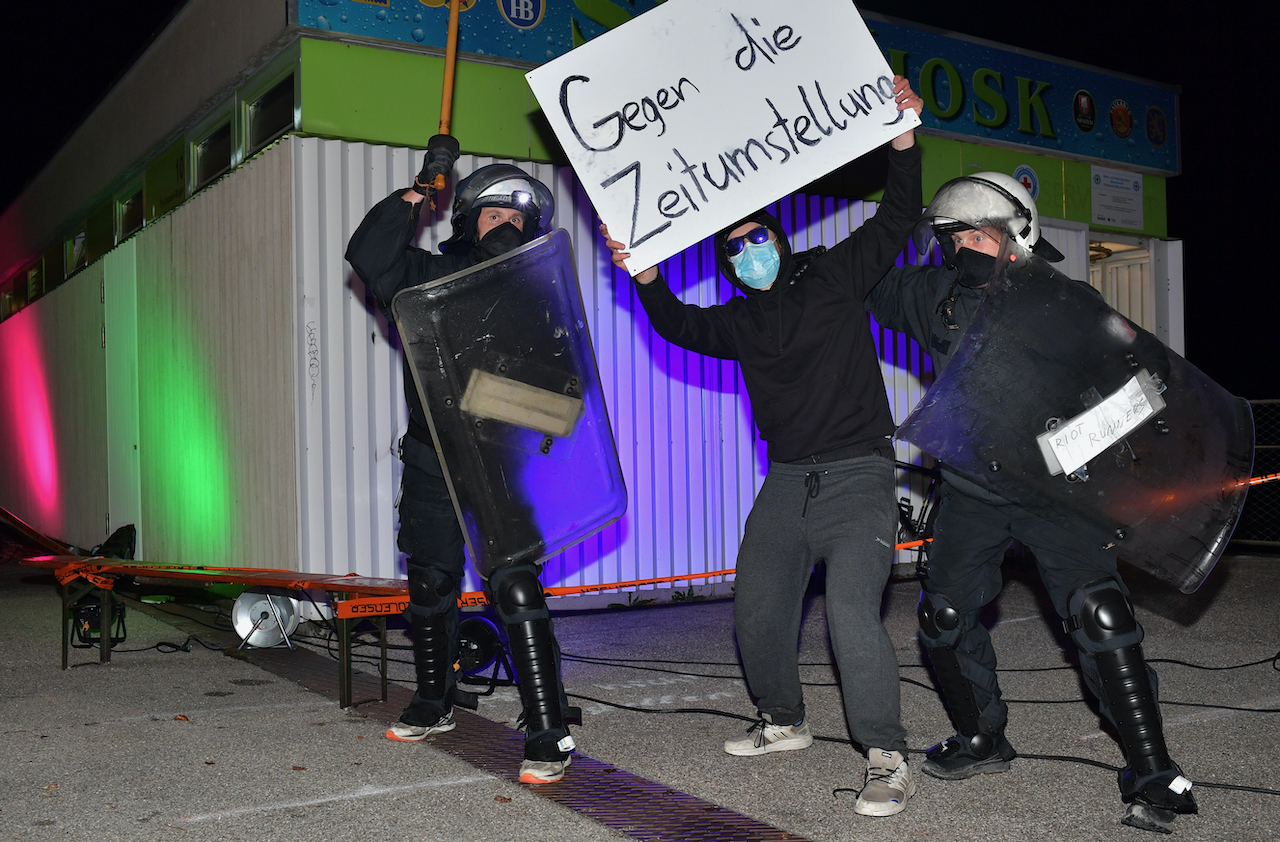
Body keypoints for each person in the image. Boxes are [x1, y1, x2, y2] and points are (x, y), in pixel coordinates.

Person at [604, 77, 924, 818]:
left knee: (849, 610)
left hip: (857, 475)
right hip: (786, 482)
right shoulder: (740, 323)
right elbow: (678, 327)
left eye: (757, 238)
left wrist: (901, 138)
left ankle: (886, 753)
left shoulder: (835, 277)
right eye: (735, 247)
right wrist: (647, 278)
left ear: (777, 236)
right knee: (757, 603)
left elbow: (899, 215)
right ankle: (783, 720)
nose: (749, 253)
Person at [865, 172, 1198, 833]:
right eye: (956, 235)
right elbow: (860, 274)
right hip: (972, 490)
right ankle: (981, 736)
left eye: (980, 232)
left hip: (1058, 492)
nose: (969, 245)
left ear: (1018, 230)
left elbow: (1135, 397)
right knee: (946, 616)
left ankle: (1154, 772)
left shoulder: (1069, 304)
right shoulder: (934, 298)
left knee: (1100, 616)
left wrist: (1143, 396)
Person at [345, 140, 578, 785]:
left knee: (516, 586)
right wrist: (420, 189)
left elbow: (563, 398)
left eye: (516, 213)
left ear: (533, 226)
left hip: (501, 463)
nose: (503, 219)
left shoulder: (542, 294)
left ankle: (546, 727)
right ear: (468, 218)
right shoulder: (426, 278)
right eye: (490, 211)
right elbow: (368, 257)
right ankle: (433, 699)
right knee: (429, 581)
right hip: (430, 458)